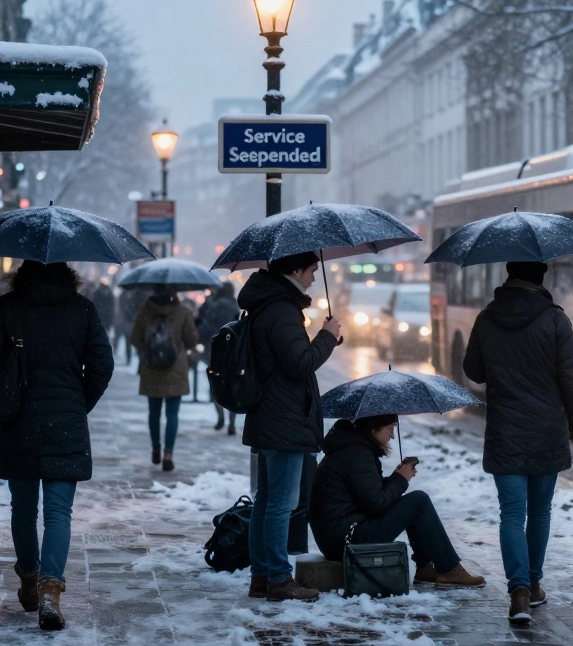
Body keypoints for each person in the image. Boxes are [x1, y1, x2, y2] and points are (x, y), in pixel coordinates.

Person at [0, 261, 114, 631]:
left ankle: (29, 577)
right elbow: (102, 364)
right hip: (65, 422)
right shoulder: (82, 308)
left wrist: (9, 385)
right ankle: (51, 588)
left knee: (22, 509)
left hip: (19, 420)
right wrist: (77, 401)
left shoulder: (8, 307)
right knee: (57, 512)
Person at [462, 261, 573, 625]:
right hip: (547, 429)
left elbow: (473, 371)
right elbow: (572, 377)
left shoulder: (486, 318)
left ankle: (517, 593)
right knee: (540, 511)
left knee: (512, 514)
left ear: (507, 274)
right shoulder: (556, 320)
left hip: (505, 430)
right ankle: (533, 585)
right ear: (540, 277)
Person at [238, 251, 341, 603]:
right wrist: (326, 336)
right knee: (280, 503)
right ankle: (279, 578)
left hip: (270, 416)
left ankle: (262, 577)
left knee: (267, 502)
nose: (313, 277)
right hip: (283, 419)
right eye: (311, 270)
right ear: (295, 270)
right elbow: (299, 364)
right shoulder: (281, 310)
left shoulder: (268, 305)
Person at [310, 414, 485, 588]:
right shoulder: (356, 453)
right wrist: (401, 480)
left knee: (411, 504)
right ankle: (449, 570)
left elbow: (368, 495)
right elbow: (377, 504)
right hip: (346, 538)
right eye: (390, 428)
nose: (392, 436)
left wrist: (396, 477)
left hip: (340, 534)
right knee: (419, 500)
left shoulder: (353, 448)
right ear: (373, 427)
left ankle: (425, 568)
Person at [130, 286, 198, 472]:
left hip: (152, 368)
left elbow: (135, 338)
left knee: (154, 413)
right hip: (175, 368)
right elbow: (191, 340)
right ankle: (168, 453)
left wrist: (149, 349)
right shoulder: (182, 312)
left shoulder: (145, 312)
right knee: (172, 414)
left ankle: (155, 448)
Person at [196, 282, 241, 434]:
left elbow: (206, 326)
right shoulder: (235, 307)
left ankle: (220, 415)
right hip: (232, 352)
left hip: (214, 349)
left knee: (216, 383)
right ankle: (232, 422)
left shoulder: (214, 305)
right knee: (233, 386)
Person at [114, 287, 148, 362]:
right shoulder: (141, 294)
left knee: (130, 340)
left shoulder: (128, 294)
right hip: (134, 320)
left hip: (132, 320)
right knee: (133, 340)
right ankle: (132, 358)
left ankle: (131, 357)